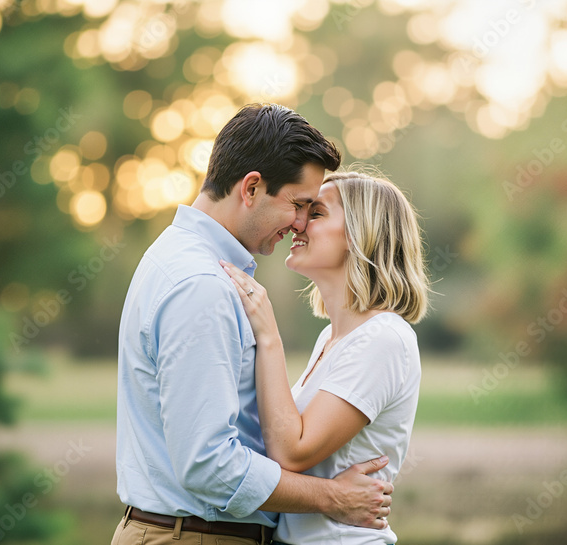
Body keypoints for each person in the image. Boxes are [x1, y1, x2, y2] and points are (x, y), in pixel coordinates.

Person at [114, 104, 394, 545]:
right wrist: (334, 498)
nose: (299, 224)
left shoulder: (181, 260)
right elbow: (208, 465)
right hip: (196, 537)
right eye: (298, 205)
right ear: (251, 188)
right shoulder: (202, 286)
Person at [221, 169, 430, 544]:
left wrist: (268, 336)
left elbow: (292, 452)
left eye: (315, 213)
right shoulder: (330, 338)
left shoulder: (384, 338)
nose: (297, 223)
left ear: (361, 235)